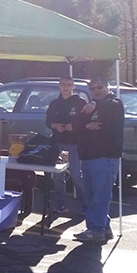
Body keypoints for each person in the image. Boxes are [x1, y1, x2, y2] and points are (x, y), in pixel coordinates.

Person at [74, 77, 124, 242]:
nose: (96, 91)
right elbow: (78, 124)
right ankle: (103, 226)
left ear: (107, 87)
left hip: (105, 157)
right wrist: (87, 126)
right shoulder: (88, 106)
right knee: (90, 196)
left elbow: (112, 106)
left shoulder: (114, 103)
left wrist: (96, 105)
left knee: (100, 196)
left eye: (99, 87)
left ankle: (96, 230)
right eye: (93, 89)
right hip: (88, 157)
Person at [45, 76, 85, 214]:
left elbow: (85, 121)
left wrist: (72, 126)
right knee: (57, 176)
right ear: (59, 86)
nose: (66, 87)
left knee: (76, 175)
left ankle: (85, 205)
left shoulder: (80, 102)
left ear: (73, 86)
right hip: (58, 142)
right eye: (63, 85)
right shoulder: (54, 103)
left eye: (69, 85)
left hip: (75, 143)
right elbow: (48, 121)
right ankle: (61, 204)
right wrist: (54, 125)